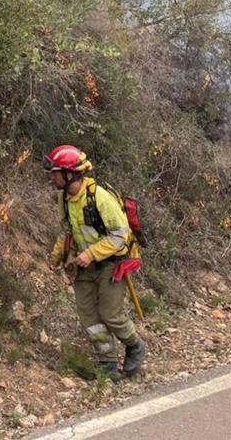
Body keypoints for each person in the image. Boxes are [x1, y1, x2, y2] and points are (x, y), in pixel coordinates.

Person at [45, 144, 147, 379]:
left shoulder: (99, 197)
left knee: (111, 314)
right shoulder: (65, 199)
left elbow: (120, 235)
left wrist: (91, 253)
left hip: (112, 263)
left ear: (70, 174)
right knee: (89, 317)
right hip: (84, 267)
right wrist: (56, 256)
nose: (52, 176)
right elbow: (67, 230)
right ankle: (108, 363)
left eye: (56, 171)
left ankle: (135, 346)